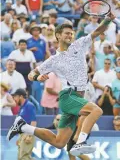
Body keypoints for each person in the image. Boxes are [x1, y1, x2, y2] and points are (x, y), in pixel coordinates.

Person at [7, 14, 115, 156]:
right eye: (67, 33)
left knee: (59, 142)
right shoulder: (54, 60)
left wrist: (107, 20)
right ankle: (80, 143)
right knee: (96, 111)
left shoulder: (79, 44)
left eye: (71, 33)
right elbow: (31, 74)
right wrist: (38, 77)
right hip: (68, 96)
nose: (70, 35)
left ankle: (23, 126)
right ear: (58, 35)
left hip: (77, 99)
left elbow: (97, 31)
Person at [13, 89, 37, 160]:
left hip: (27, 133)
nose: (14, 99)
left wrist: (29, 135)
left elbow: (33, 121)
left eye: (15, 97)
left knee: (24, 157)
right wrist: (19, 138)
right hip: (22, 134)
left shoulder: (29, 105)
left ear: (20, 96)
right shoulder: (22, 107)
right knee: (21, 157)